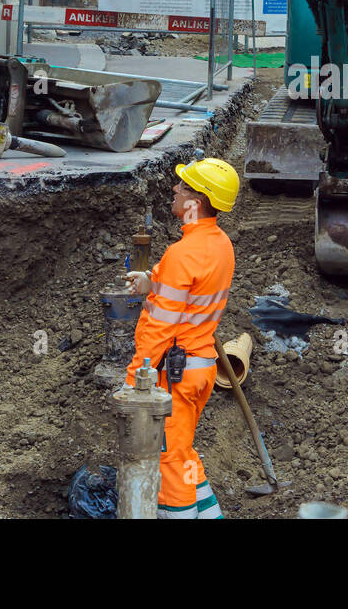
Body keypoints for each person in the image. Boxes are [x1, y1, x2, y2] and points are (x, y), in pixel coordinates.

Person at [123, 158, 239, 519]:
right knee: (184, 451)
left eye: (183, 186)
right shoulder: (219, 244)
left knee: (169, 461)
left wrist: (134, 377)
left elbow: (162, 324)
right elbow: (188, 291)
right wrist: (152, 282)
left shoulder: (183, 253)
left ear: (197, 202)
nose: (175, 189)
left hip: (173, 374)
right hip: (199, 368)